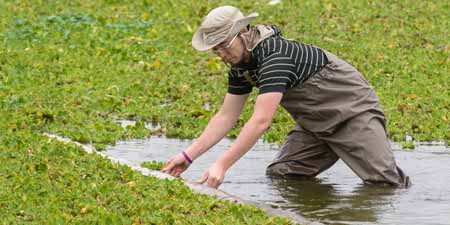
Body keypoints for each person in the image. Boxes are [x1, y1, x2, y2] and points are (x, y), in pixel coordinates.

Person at [161, 6, 409, 189]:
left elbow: (260, 121)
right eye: (216, 49)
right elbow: (226, 117)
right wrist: (187, 157)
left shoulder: (274, 55)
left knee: (386, 185)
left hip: (353, 113)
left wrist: (222, 165)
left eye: (225, 44)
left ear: (244, 32)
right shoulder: (240, 65)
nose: (222, 54)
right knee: (284, 175)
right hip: (315, 124)